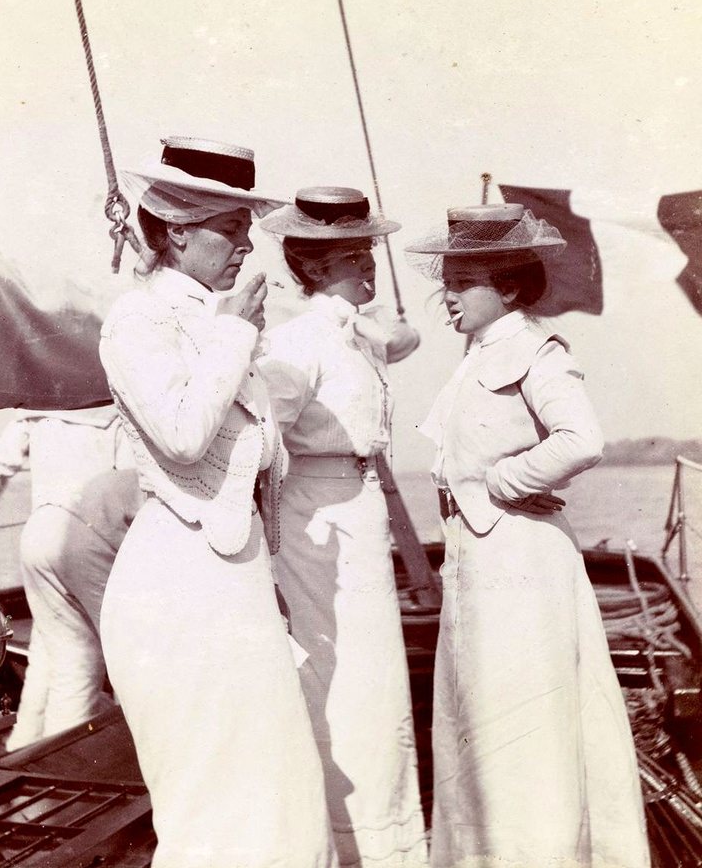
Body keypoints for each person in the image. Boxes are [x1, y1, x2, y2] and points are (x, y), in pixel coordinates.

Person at [98, 138, 335, 868]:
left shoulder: (222, 324)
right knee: (213, 799)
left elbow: (254, 467)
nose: (246, 247)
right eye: (231, 231)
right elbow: (182, 436)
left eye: (246, 231)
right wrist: (236, 330)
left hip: (232, 585)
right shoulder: (139, 320)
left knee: (274, 791)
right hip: (175, 592)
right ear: (176, 232)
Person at [405, 204, 650, 868]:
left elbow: (583, 439)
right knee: (483, 722)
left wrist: (499, 482)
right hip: (481, 559)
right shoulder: (481, 353)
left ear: (509, 287)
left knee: (524, 727)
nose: (446, 297)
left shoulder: (536, 349)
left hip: (521, 558)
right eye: (446, 282)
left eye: (463, 282)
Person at [257, 187, 428, 868]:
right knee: (340, 676)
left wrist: (379, 327)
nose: (371, 268)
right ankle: (347, 839)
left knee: (376, 673)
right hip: (317, 512)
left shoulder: (361, 331)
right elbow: (266, 423)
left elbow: (401, 337)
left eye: (370, 254)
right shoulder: (298, 340)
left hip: (359, 501)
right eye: (356, 257)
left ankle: (388, 840)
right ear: (317, 266)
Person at [0, 406, 142, 749]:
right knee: (92, 659)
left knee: (48, 650)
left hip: (39, 532)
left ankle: (23, 744)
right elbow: (130, 483)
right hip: (89, 536)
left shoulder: (35, 407)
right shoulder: (114, 410)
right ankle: (77, 758)